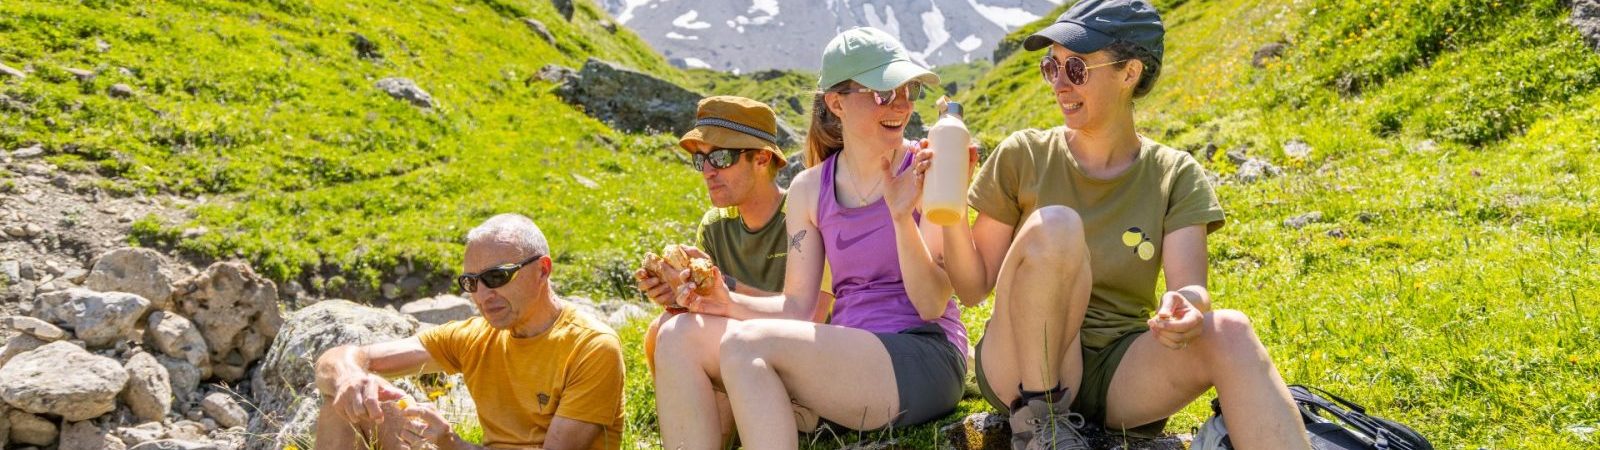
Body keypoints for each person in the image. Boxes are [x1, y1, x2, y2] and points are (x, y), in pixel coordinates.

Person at [927, 0, 1314, 448]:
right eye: (1052, 67)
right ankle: (1041, 422)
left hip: (1120, 369)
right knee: (1056, 225)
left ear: (1129, 73)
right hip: (1018, 366)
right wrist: (950, 206)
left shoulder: (1175, 173)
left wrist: (1186, 306)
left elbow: (1190, 288)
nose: (1059, 84)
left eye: (1077, 69)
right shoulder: (1024, 154)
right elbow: (973, 289)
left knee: (1231, 330)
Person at [650, 27, 971, 449]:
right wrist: (725, 303)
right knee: (677, 336)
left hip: (923, 354)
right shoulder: (808, 188)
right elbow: (798, 307)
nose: (901, 104)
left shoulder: (930, 166)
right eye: (882, 92)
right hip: (842, 360)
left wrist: (900, 217)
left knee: (748, 346)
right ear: (836, 102)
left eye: (907, 90)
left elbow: (931, 303)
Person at [313, 214, 625, 450]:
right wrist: (350, 377)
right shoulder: (474, 336)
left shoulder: (591, 346)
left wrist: (452, 444)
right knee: (342, 405)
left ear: (543, 269)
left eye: (497, 276)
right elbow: (342, 356)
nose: (483, 293)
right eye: (471, 282)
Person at [633, 95, 835, 445]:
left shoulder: (806, 214)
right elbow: (708, 316)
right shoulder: (714, 227)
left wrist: (726, 287)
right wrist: (677, 296)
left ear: (761, 158)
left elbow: (815, 315)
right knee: (663, 326)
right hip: (739, 359)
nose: (708, 170)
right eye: (701, 159)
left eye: (721, 157)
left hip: (805, 363)